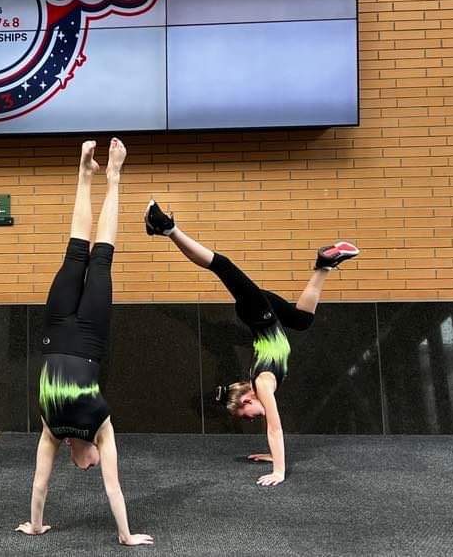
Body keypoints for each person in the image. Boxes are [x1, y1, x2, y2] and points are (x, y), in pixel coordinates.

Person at [144, 200, 359, 486]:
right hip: (264, 313)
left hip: (259, 315)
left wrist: (279, 472)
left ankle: (167, 228)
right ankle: (324, 265)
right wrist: (273, 457)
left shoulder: (263, 383)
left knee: (223, 266)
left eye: (244, 416)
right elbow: (272, 428)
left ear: (247, 400)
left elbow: (274, 427)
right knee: (301, 320)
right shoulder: (259, 382)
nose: (249, 420)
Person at [16, 138, 153, 547]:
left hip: (71, 333)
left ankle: (98, 175)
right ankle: (103, 175)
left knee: (85, 253)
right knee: (90, 254)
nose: (92, 466)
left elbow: (46, 485)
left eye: (87, 465)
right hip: (69, 334)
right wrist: (124, 535)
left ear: (82, 460)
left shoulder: (78, 429)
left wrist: (38, 525)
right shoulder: (58, 429)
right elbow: (48, 484)